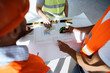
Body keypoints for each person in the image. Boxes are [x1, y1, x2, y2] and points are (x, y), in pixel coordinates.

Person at [0, 0, 53, 73]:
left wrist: (21, 32)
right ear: (15, 31)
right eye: (22, 17)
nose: (26, 21)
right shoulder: (40, 69)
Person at [57, 6, 110, 73]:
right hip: (82, 59)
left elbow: (91, 66)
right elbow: (100, 25)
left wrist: (68, 50)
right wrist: (76, 29)